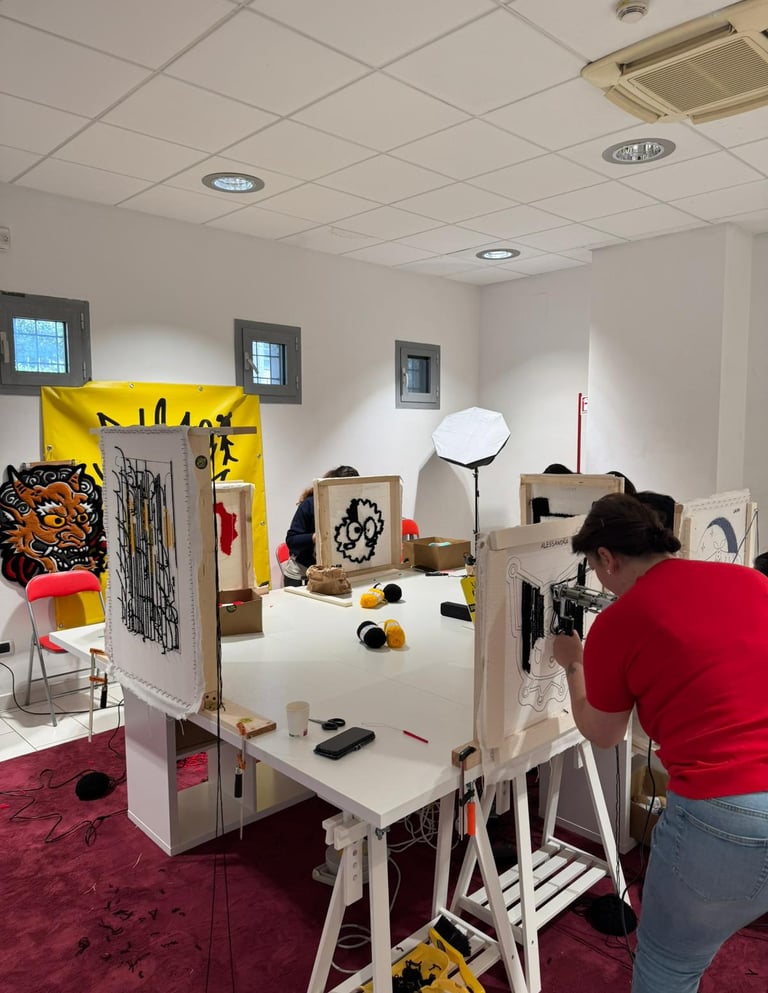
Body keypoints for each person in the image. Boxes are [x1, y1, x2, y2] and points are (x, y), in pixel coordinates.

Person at [552, 492, 768, 993]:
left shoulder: (620, 622)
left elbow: (603, 733)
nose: (599, 583)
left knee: (669, 967)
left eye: (595, 569)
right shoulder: (752, 581)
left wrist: (573, 664)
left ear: (607, 557)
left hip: (723, 816)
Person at [285, 465, 359, 570]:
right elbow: (292, 541)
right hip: (303, 570)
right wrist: (317, 537)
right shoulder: (310, 504)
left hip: (334, 569)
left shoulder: (353, 507)